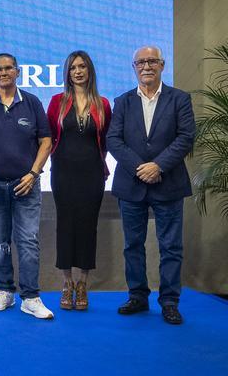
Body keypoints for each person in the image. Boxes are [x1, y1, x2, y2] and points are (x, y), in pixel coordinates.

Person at [107, 46, 194, 325]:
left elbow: (185, 137)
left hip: (168, 182)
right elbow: (114, 140)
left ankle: (169, 301)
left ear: (162, 65)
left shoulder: (179, 99)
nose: (147, 66)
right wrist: (139, 168)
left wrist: (158, 166)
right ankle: (138, 297)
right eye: (141, 62)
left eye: (152, 61)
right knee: (133, 245)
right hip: (131, 185)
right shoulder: (122, 102)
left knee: (171, 246)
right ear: (134, 67)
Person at [0, 52, 54, 320]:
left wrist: (34, 174)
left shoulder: (32, 102)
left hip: (26, 185)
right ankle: (5, 292)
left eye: (8, 69)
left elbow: (46, 141)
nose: (3, 73)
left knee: (28, 241)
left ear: (17, 72)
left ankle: (30, 298)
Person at [46, 51, 111, 311]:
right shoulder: (56, 102)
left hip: (92, 174)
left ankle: (83, 283)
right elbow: (49, 137)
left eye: (82, 66)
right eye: (73, 67)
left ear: (90, 70)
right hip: (63, 173)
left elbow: (105, 140)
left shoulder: (103, 103)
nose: (78, 71)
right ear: (67, 72)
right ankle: (67, 283)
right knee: (65, 225)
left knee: (87, 227)